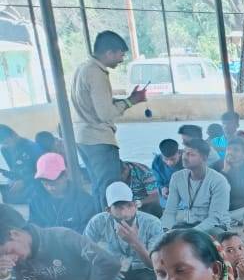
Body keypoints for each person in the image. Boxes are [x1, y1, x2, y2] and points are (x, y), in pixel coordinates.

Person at [70, 31, 145, 209]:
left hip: (84, 137)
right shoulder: (96, 74)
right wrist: (131, 101)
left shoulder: (83, 68)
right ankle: (111, 222)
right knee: (110, 189)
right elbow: (105, 113)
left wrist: (127, 100)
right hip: (99, 139)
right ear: (109, 53)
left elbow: (96, 104)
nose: (122, 59)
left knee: (98, 186)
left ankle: (101, 219)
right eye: (121, 54)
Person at [84, 182, 165, 280]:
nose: (125, 212)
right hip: (113, 270)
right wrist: (105, 267)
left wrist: (134, 242)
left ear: (136, 205)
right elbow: (84, 252)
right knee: (86, 278)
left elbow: (155, 265)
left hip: (143, 270)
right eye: (118, 207)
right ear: (108, 210)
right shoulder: (97, 222)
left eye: (129, 206)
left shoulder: (152, 223)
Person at [161, 139, 230, 232]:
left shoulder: (218, 181)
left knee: (211, 234)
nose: (185, 157)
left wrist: (189, 234)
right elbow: (170, 211)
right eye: (184, 153)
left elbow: (214, 219)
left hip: (216, 226)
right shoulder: (177, 177)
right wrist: (166, 230)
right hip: (189, 225)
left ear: (204, 158)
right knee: (163, 233)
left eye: (191, 154)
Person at [27, 153, 99, 232]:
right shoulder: (36, 201)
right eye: (45, 184)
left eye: (55, 184)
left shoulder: (85, 201)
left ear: (66, 174)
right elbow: (33, 228)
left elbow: (88, 231)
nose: (50, 188)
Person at [0, 124, 42, 204]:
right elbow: (13, 170)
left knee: (36, 192)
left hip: (34, 181)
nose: (6, 146)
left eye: (7, 142)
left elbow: (42, 172)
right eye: (3, 144)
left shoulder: (32, 147)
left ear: (14, 135)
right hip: (19, 180)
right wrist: (11, 178)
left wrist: (24, 181)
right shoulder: (5, 150)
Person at [150, 139, 181, 207]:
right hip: (167, 193)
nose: (169, 163)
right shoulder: (157, 161)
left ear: (179, 153)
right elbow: (157, 180)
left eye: (173, 159)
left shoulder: (189, 160)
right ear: (161, 155)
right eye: (166, 159)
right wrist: (162, 188)